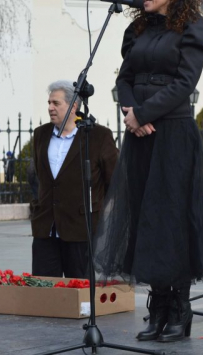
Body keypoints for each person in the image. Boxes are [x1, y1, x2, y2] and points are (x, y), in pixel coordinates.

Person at [93, 0, 203, 343]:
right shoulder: (137, 29)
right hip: (140, 136)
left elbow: (184, 83)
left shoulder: (193, 28)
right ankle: (157, 307)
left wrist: (144, 113)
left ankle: (180, 309)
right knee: (144, 219)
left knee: (171, 222)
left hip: (174, 136)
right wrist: (131, 113)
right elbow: (124, 78)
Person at [31, 80, 118, 280]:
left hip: (81, 228)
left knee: (81, 294)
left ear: (73, 107)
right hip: (46, 228)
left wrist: (98, 210)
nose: (50, 108)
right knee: (43, 292)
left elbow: (113, 180)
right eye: (49, 103)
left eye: (56, 103)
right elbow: (41, 176)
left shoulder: (97, 136)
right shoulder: (41, 134)